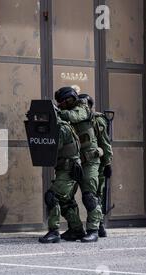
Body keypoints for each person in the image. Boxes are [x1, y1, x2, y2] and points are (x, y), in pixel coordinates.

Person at [55, 87, 103, 243]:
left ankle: (93, 230)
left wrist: (57, 112)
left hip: (89, 161)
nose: (60, 105)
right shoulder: (64, 115)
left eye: (62, 102)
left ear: (69, 99)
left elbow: (75, 116)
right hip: (73, 161)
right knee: (63, 197)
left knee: (89, 196)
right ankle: (76, 229)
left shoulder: (82, 107)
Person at [39, 113, 85, 244]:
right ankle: (77, 230)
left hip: (67, 171)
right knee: (65, 203)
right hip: (67, 170)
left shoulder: (61, 128)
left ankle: (54, 231)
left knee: (52, 196)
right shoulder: (62, 126)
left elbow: (53, 147)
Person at [78, 94, 113, 238]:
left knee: (95, 195)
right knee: (94, 195)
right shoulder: (77, 119)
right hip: (79, 162)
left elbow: (105, 143)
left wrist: (108, 163)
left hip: (96, 162)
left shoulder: (97, 120)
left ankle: (98, 227)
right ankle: (99, 226)